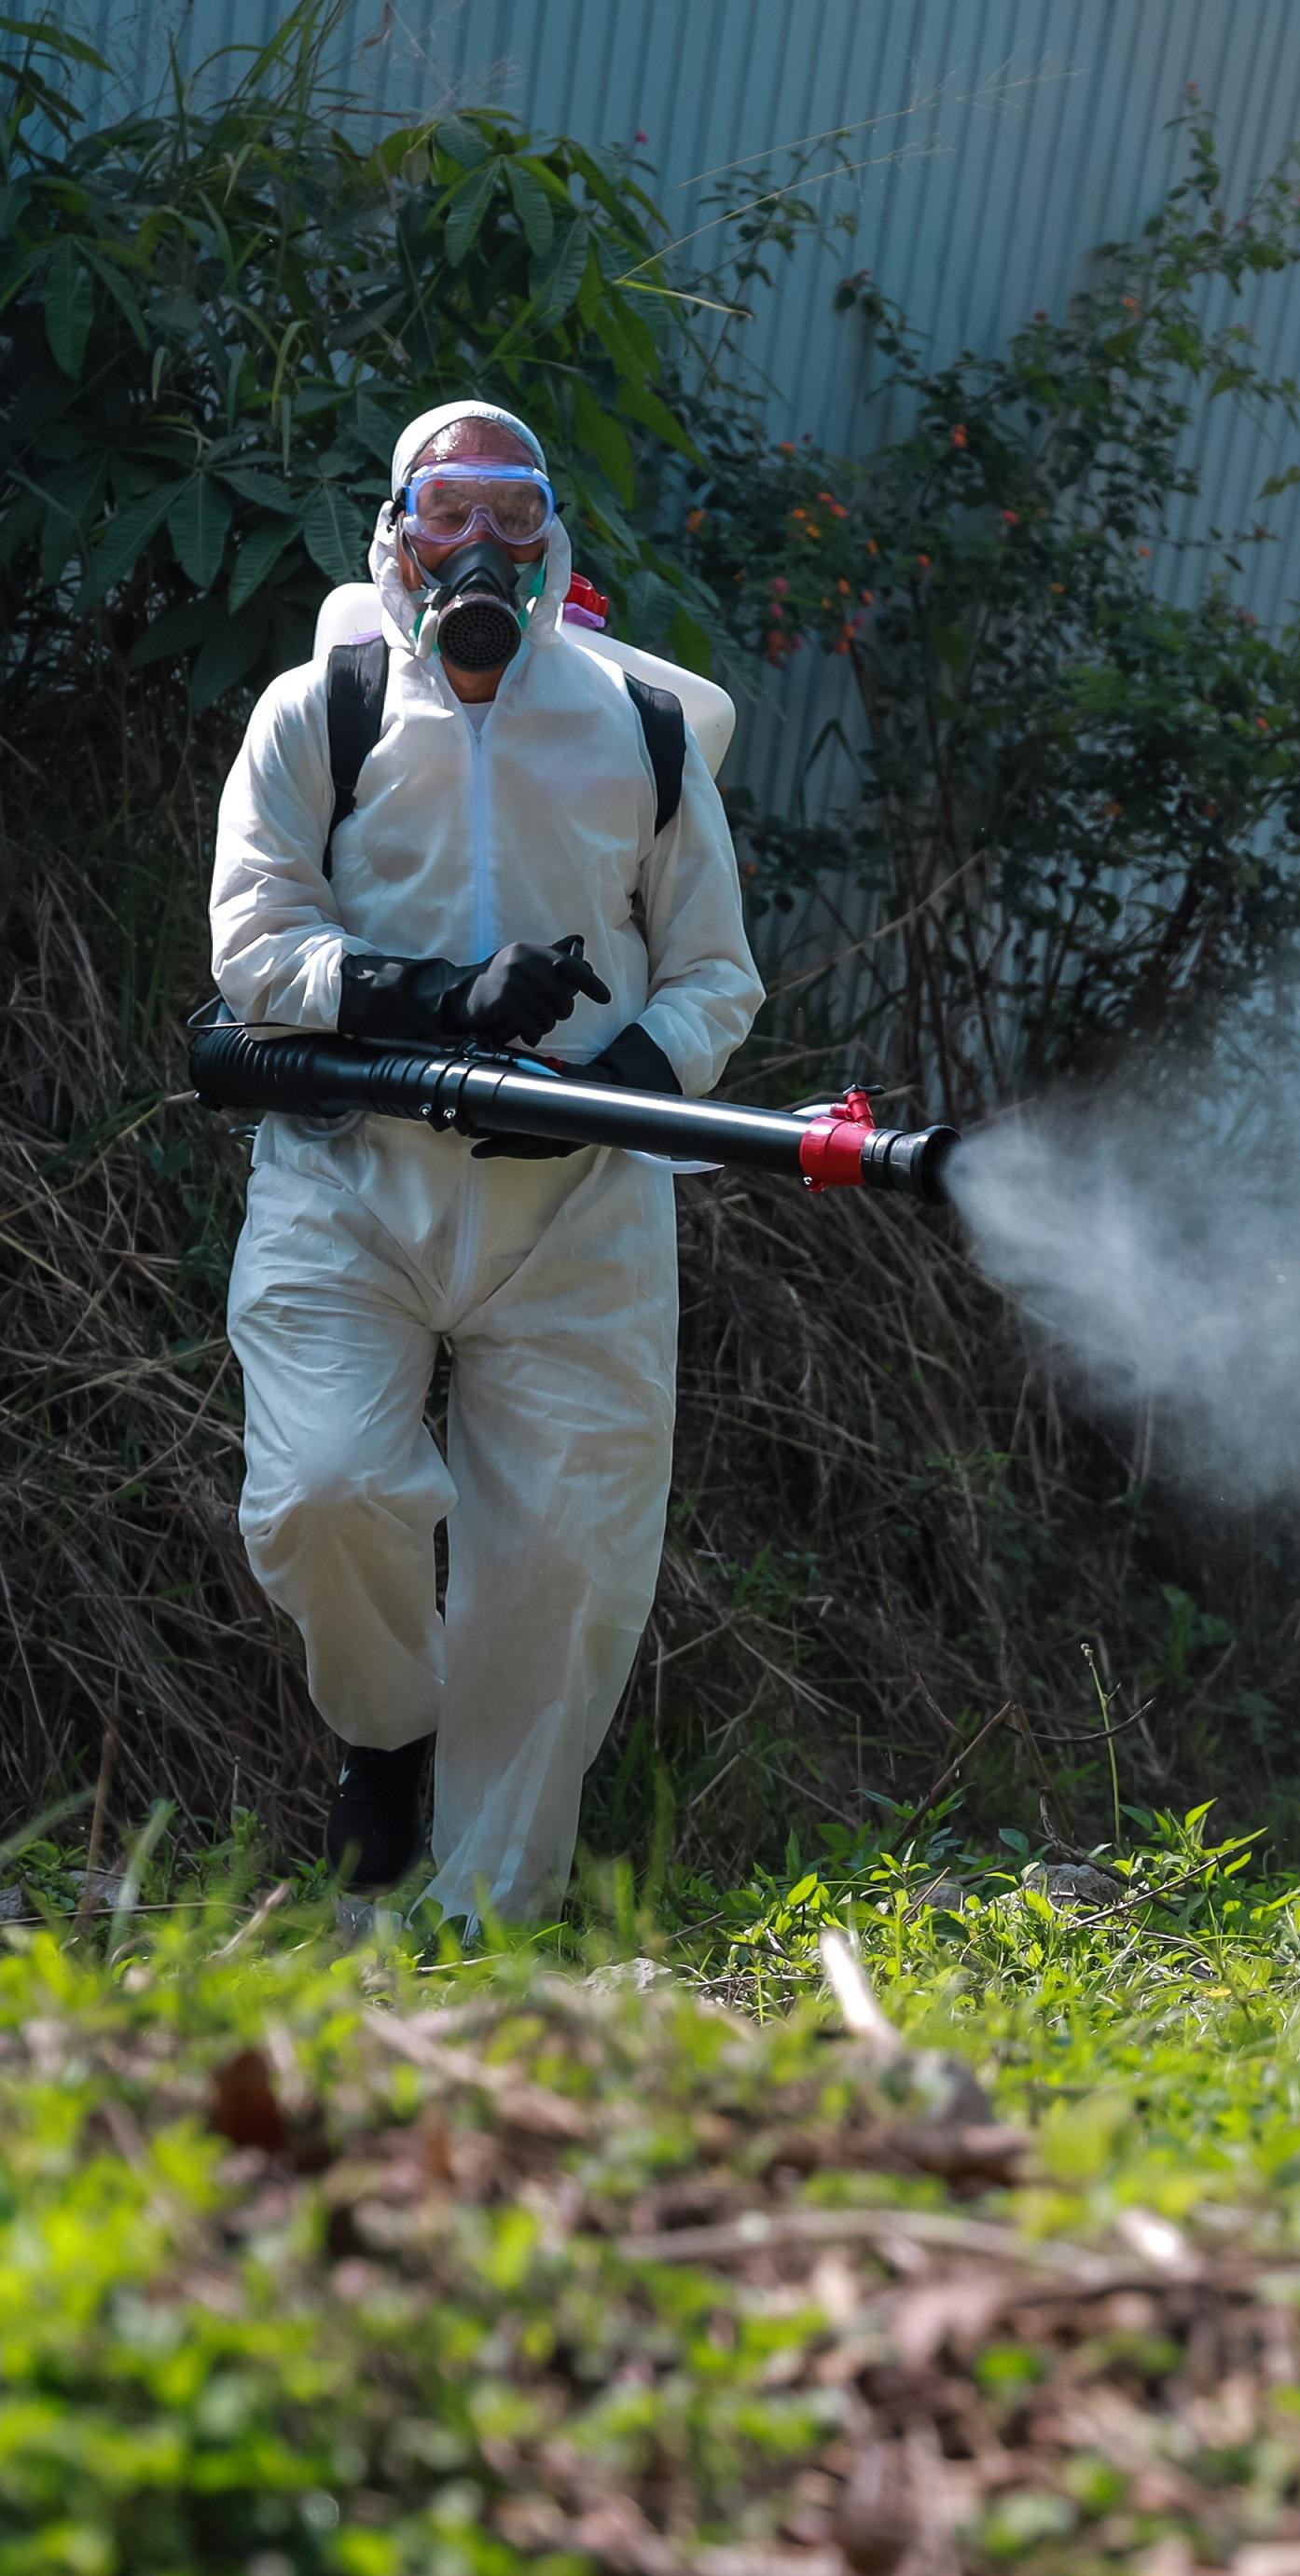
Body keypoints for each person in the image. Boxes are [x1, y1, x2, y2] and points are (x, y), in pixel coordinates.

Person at [207, 402, 758, 1921]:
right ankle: (384, 1736)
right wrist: (437, 1004)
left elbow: (718, 974)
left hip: (579, 1212)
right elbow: (253, 945)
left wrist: (611, 1093)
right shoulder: (317, 708)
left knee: (561, 1581)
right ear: (392, 534)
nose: (479, 549)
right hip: (347, 1182)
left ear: (552, 543)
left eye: (513, 514)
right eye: (447, 510)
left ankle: (471, 1935)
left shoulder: (638, 732)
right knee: (323, 1495)